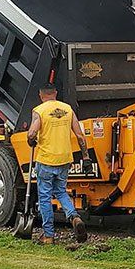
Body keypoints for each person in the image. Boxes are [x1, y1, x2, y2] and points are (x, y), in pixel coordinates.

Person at [26, 84, 89, 245]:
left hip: (46, 159)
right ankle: (74, 217)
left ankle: (48, 235)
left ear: (41, 95)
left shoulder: (39, 111)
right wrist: (86, 157)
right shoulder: (67, 109)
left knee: (45, 197)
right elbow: (80, 136)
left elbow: (32, 132)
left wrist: (30, 140)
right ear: (55, 93)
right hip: (65, 159)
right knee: (61, 191)